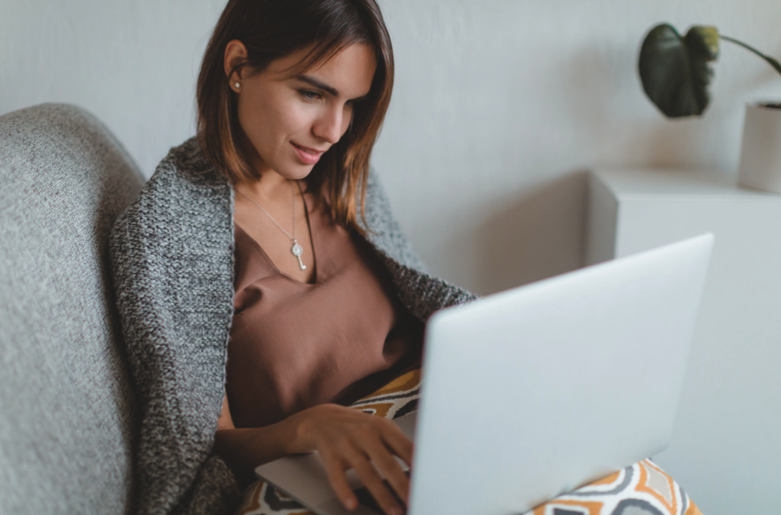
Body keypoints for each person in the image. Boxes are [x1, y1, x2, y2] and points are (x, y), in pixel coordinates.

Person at [109, 1, 475, 514]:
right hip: (329, 478)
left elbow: (432, 311)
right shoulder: (167, 231)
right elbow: (197, 446)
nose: (333, 129)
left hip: (444, 424)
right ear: (238, 67)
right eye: (311, 94)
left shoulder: (346, 180)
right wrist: (308, 427)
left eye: (351, 104)